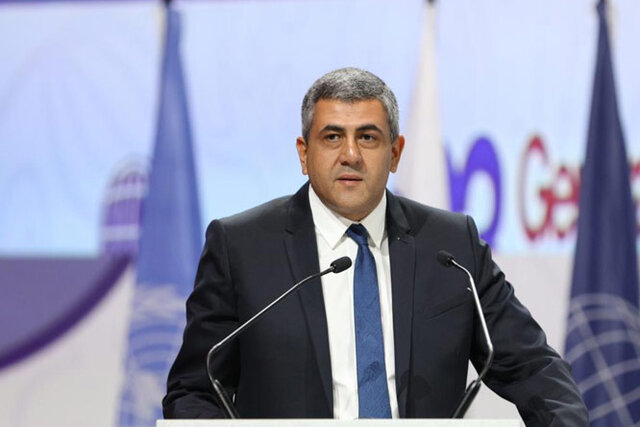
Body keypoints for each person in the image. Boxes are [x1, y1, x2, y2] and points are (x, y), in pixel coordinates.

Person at [163, 67, 587, 425]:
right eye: (332, 137)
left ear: (395, 153)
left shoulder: (451, 245)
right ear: (303, 153)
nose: (350, 154)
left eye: (367, 137)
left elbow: (534, 367)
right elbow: (195, 391)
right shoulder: (242, 247)